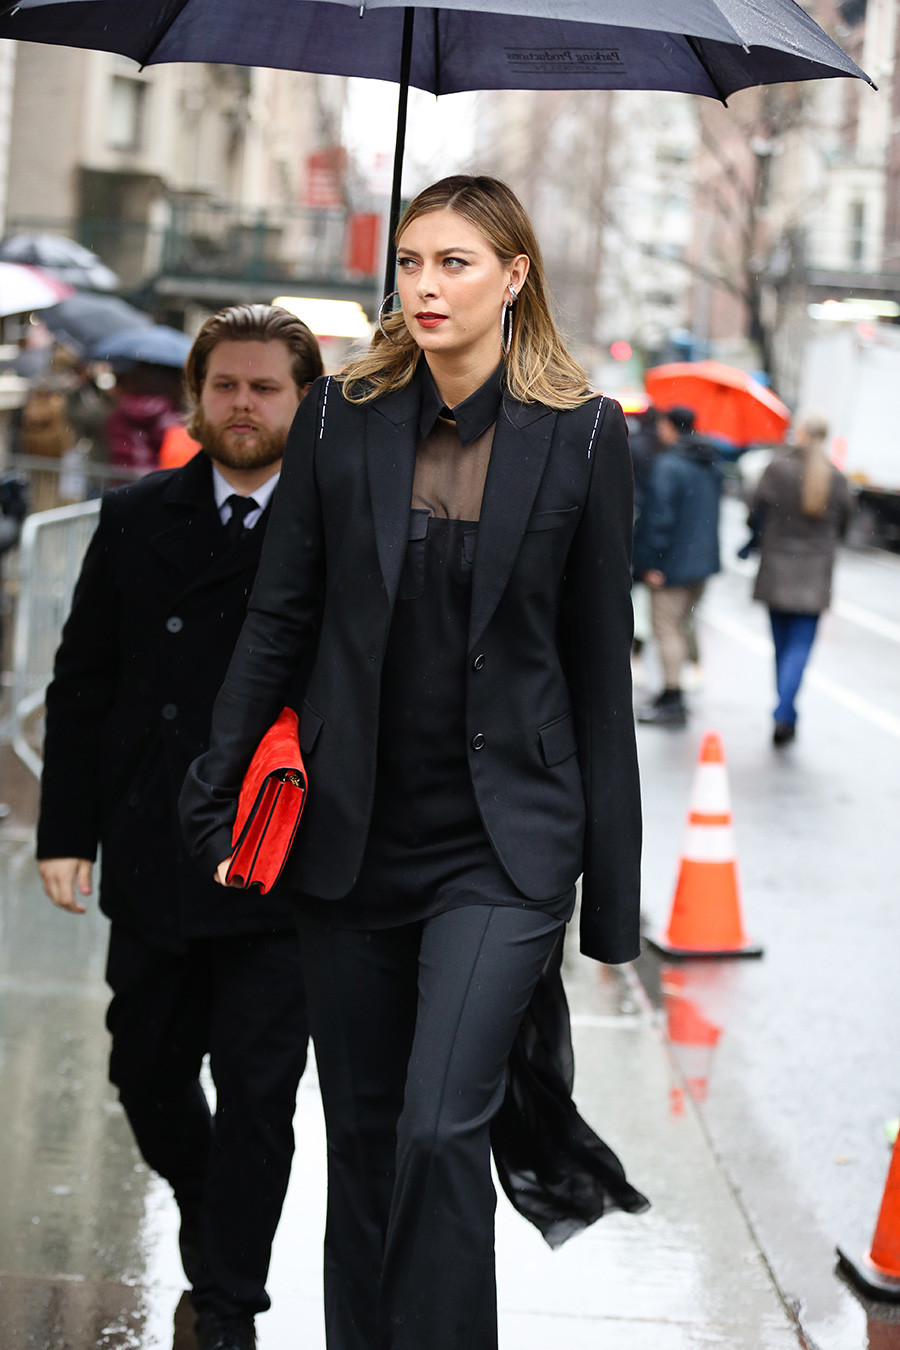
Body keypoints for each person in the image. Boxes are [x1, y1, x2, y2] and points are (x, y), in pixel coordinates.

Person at [181, 176, 647, 1350]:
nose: (426, 286)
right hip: (351, 834)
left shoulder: (587, 433)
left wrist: (617, 903)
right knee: (371, 1144)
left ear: (514, 278)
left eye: (455, 263)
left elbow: (600, 669)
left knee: (444, 1128)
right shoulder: (340, 415)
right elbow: (280, 620)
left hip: (504, 843)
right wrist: (218, 774)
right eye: (411, 261)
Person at [36, 304, 324, 1350]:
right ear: (199, 396)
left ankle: (231, 1300)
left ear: (304, 399)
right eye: (227, 387)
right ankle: (216, 1215)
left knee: (258, 1092)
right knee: (144, 1070)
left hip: (278, 858)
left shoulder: (333, 527)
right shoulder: (135, 515)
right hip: (156, 847)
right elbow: (83, 686)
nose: (243, 406)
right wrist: (65, 831)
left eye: (266, 388)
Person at [748, 410, 852, 745]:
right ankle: (785, 710)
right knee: (800, 648)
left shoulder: (778, 469)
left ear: (802, 434)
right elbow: (846, 525)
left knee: (782, 646)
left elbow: (756, 512)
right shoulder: (836, 478)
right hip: (815, 572)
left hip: (778, 566)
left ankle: (784, 710)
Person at [632, 405, 722, 727]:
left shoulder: (669, 465)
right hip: (701, 562)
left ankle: (673, 698)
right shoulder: (709, 462)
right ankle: (672, 694)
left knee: (665, 629)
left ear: (669, 426)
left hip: (671, 563)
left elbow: (658, 520)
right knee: (681, 625)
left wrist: (649, 563)